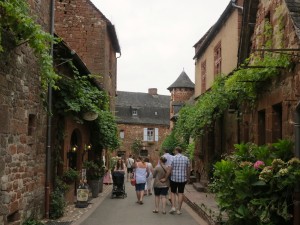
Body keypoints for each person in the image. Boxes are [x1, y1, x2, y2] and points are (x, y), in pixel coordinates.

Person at [163, 146, 190, 215]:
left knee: (173, 192)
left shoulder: (173, 158)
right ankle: (179, 210)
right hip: (182, 178)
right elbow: (188, 169)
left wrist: (165, 178)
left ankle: (173, 207)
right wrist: (188, 177)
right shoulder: (186, 158)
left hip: (174, 178)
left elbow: (170, 169)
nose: (174, 152)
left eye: (175, 151)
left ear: (176, 151)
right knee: (181, 193)